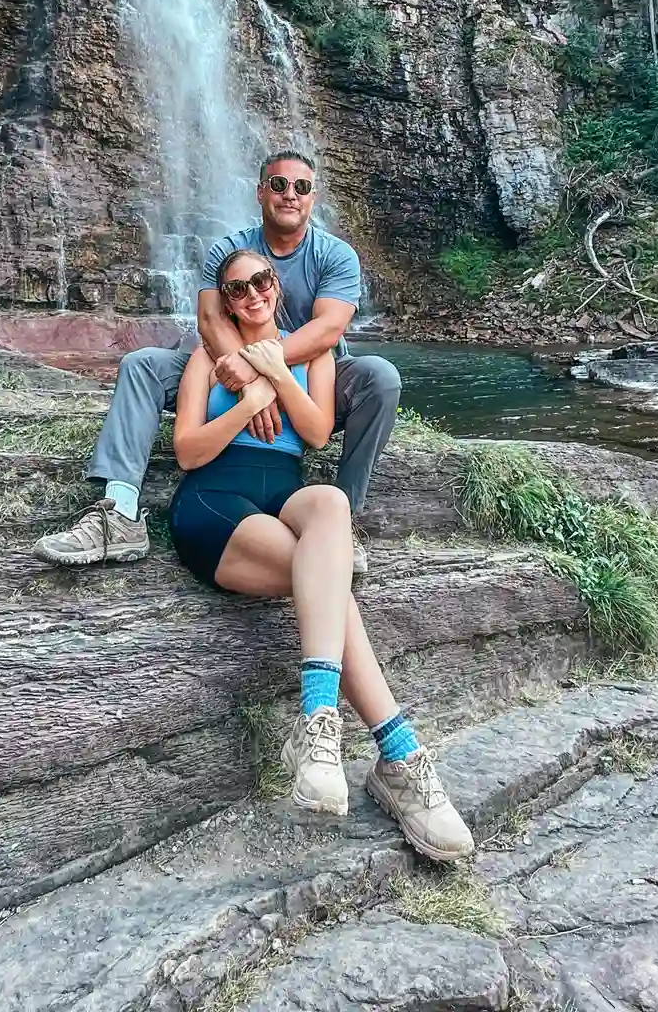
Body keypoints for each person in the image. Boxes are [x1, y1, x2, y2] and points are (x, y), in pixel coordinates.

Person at [167, 247, 474, 862]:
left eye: (262, 281)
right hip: (214, 503)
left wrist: (276, 373)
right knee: (331, 592)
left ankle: (327, 729)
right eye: (236, 288)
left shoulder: (315, 355)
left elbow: (313, 430)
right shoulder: (206, 358)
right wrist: (250, 405)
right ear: (224, 300)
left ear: (277, 287)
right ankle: (397, 755)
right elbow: (187, 451)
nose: (251, 293)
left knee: (331, 503)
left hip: (285, 496)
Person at [33, 151, 401, 568]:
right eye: (278, 185)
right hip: (227, 365)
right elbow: (210, 320)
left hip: (310, 374)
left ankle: (343, 520)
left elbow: (328, 330)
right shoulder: (229, 248)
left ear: (314, 197)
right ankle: (118, 512)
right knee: (143, 364)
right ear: (261, 192)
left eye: (301, 187)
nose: (290, 195)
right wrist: (247, 382)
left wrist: (267, 371)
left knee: (380, 377)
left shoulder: (335, 255)